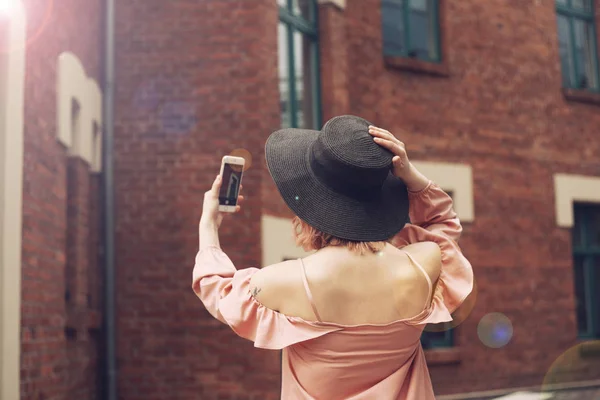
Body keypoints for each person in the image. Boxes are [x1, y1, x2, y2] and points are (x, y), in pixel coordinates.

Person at [193, 115, 474, 399]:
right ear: (381, 198)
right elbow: (442, 224)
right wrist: (412, 175)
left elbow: (217, 289)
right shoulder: (423, 264)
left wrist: (209, 223)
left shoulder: (286, 282)